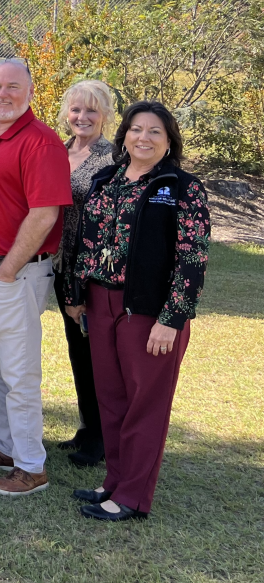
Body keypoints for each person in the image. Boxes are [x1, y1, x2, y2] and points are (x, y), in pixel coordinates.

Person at [72, 101, 209, 520]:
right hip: (101, 301)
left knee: (144, 403)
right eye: (136, 129)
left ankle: (132, 496)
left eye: (154, 132)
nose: (143, 138)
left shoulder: (182, 187)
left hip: (150, 312)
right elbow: (87, 239)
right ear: (124, 135)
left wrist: (172, 319)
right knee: (111, 398)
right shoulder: (105, 179)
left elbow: (192, 257)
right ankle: (113, 481)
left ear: (169, 141)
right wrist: (76, 291)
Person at [0, 59, 71, 497]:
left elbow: (44, 214)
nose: (3, 94)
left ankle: (31, 466)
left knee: (19, 371)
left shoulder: (40, 142)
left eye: (13, 86)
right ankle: (6, 447)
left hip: (14, 273)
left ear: (30, 90)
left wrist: (7, 270)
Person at [54, 79, 116, 468]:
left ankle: (103, 436)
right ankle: (87, 425)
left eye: (92, 110)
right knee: (78, 350)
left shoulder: (114, 159)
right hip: (62, 267)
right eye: (76, 109)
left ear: (106, 115)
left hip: (93, 269)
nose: (82, 117)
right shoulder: (59, 152)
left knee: (99, 354)